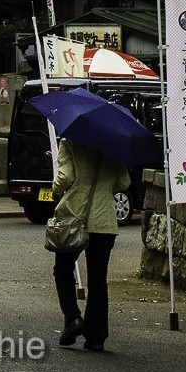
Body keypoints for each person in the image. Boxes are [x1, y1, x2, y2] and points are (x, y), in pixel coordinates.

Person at [50, 138, 131, 352]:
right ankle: (96, 337)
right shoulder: (113, 146)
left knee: (63, 269)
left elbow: (64, 178)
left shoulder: (70, 142)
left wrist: (56, 188)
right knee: (98, 280)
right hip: (104, 220)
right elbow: (123, 182)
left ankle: (73, 318)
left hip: (75, 217)